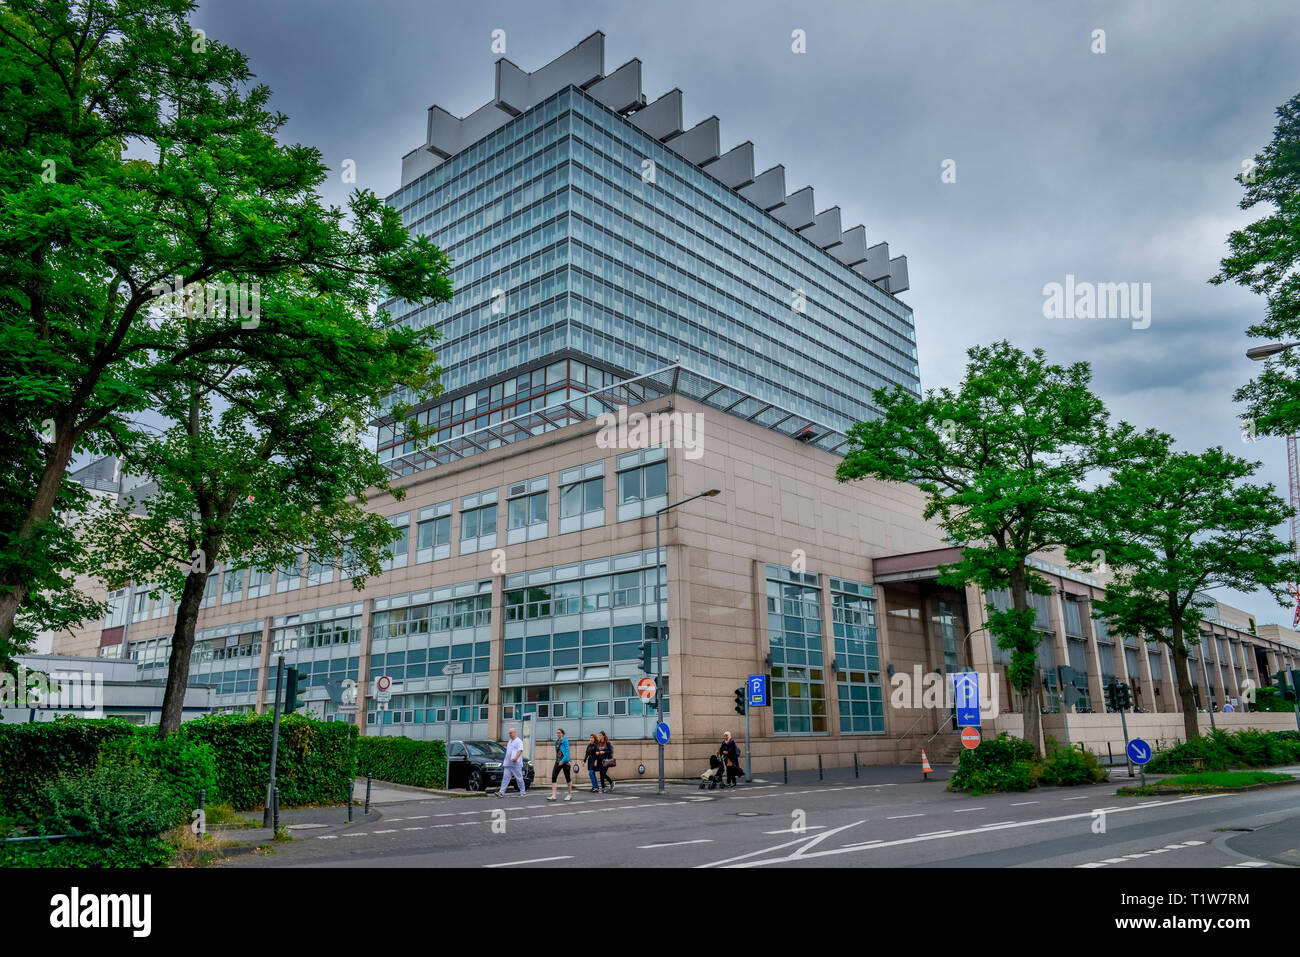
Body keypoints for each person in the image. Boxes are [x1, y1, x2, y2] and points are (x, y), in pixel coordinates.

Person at [496, 727, 526, 798]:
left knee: (519, 778)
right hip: (508, 763)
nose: (509, 734)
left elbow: (520, 750)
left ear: (515, 732)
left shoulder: (519, 741)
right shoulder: (509, 741)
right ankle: (501, 792)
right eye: (509, 733)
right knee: (505, 778)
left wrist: (516, 758)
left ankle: (523, 792)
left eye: (511, 733)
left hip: (516, 764)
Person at [548, 728, 573, 802]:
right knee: (554, 776)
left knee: (567, 778)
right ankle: (553, 795)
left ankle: (569, 795)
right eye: (557, 733)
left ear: (562, 733)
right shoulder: (556, 741)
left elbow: (567, 753)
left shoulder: (565, 741)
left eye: (559, 733)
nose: (558, 734)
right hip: (558, 762)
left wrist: (562, 761)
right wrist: (557, 760)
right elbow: (557, 752)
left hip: (565, 762)